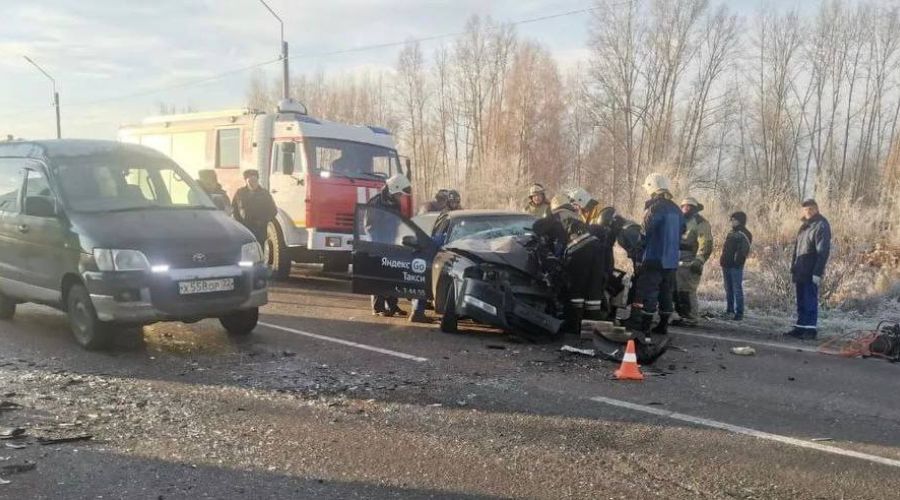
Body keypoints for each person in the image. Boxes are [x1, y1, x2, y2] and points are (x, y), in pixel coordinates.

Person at [533, 195, 607, 334]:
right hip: (596, 249)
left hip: (579, 250)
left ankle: (574, 326)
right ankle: (590, 330)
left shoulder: (557, 214)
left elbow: (537, 227)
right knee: (592, 291)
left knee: (576, 290)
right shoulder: (574, 214)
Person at [623, 173, 683, 342]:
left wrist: (637, 253)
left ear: (652, 188)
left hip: (654, 258)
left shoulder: (655, 208)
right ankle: (663, 325)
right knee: (666, 292)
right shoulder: (676, 209)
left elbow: (644, 233)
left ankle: (645, 328)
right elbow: (683, 230)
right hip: (671, 260)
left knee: (648, 292)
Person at [410, 189, 463, 323]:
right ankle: (417, 312)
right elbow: (437, 235)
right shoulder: (443, 215)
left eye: (457, 202)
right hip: (434, 250)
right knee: (425, 279)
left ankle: (419, 311)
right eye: (453, 201)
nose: (455, 204)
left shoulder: (459, 214)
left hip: (445, 250)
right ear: (448, 201)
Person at [367, 174, 413, 318]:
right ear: (394, 189)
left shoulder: (395, 203)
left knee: (391, 275)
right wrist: (379, 245)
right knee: (379, 276)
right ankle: (378, 308)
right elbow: (369, 226)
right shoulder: (375, 202)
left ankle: (393, 305)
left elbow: (397, 222)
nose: (401, 197)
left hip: (392, 243)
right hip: (379, 245)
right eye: (400, 194)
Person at [787, 199, 831, 340]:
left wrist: (817, 272)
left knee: (810, 300)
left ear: (816, 209)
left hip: (811, 270)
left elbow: (823, 251)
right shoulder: (805, 226)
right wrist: (793, 266)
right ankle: (800, 327)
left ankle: (810, 329)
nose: (808, 212)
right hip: (800, 269)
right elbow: (797, 248)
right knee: (801, 300)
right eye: (805, 209)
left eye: (811, 209)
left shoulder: (821, 225)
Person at [672, 197, 713, 327]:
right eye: (684, 206)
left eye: (689, 206)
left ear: (695, 208)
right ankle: (680, 316)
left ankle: (691, 318)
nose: (686, 208)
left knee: (687, 291)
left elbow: (706, 243)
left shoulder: (701, 223)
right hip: (676, 261)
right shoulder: (679, 220)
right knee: (676, 291)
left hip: (690, 262)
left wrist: (699, 260)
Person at [720, 211, 752, 321]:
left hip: (735, 266)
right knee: (728, 288)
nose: (732, 222)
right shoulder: (731, 232)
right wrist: (722, 259)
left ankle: (739, 313)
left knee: (737, 289)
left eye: (734, 220)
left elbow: (744, 251)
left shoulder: (745, 234)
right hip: (726, 264)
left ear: (740, 221)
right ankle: (729, 310)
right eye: (731, 220)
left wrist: (737, 262)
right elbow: (725, 248)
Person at [232, 169, 277, 244]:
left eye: (254, 181)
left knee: (259, 248)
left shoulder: (264, 194)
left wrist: (264, 221)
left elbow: (273, 211)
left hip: (260, 230)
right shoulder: (240, 193)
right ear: (246, 181)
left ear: (257, 180)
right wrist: (239, 223)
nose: (253, 183)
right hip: (244, 229)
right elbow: (234, 209)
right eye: (250, 181)